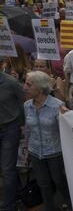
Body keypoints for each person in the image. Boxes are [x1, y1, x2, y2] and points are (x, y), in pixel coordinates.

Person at [23, 71, 71, 211]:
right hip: (35, 151)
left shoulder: (57, 106)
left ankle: (69, 201)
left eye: (28, 84)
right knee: (43, 183)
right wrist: (27, 149)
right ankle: (49, 208)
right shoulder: (27, 105)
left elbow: (65, 131)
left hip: (54, 152)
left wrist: (67, 116)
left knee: (59, 180)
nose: (25, 87)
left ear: (39, 87)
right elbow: (27, 129)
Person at [0, 62, 25, 211]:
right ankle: (18, 192)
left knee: (7, 168)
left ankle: (8, 206)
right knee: (7, 167)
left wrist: (22, 124)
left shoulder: (11, 82)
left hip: (9, 128)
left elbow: (23, 102)